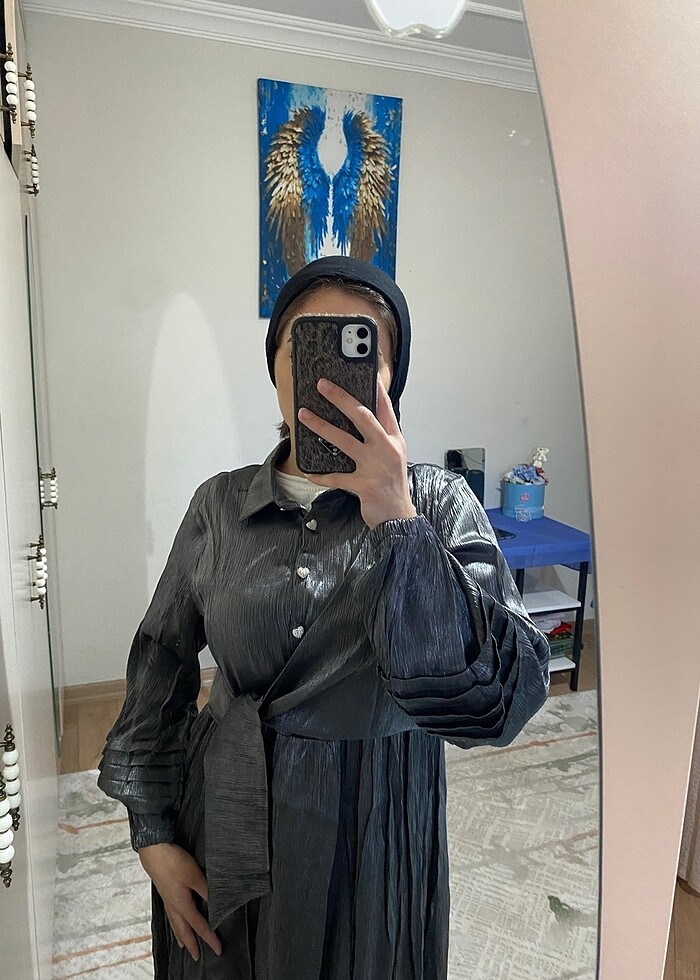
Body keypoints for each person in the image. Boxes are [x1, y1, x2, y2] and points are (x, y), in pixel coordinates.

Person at [97, 256, 550, 979]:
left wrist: (394, 515)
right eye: (305, 345)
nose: (329, 371)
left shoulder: (436, 502)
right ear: (275, 365)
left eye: (360, 347)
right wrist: (152, 834)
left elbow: (500, 703)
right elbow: (159, 668)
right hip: (227, 813)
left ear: (391, 376)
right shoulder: (218, 507)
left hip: (379, 825)